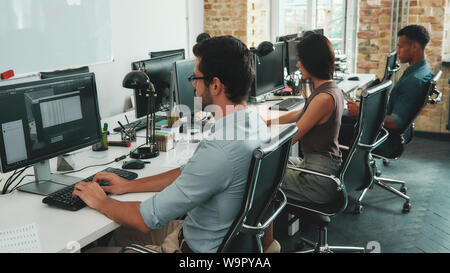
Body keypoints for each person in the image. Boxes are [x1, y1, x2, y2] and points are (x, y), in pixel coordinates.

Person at [72, 35, 271, 253]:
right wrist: (127, 185)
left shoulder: (220, 150)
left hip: (191, 249)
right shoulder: (254, 124)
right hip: (220, 239)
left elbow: (144, 219)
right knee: (120, 233)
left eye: (196, 79)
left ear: (215, 85)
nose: (194, 88)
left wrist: (101, 201)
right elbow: (189, 173)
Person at [262, 33, 344, 249]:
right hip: (321, 167)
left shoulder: (323, 98)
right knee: (269, 169)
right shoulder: (330, 88)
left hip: (318, 180)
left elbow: (293, 135)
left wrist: (258, 139)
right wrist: (269, 120)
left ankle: (267, 245)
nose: (297, 64)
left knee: (261, 177)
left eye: (300, 59)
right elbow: (302, 114)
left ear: (312, 61)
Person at [339, 25, 434, 157]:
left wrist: (362, 111)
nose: (398, 51)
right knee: (340, 119)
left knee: (328, 128)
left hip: (386, 138)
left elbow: (394, 123)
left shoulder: (414, 80)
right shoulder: (422, 71)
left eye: (400, 47)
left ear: (415, 47)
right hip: (384, 131)